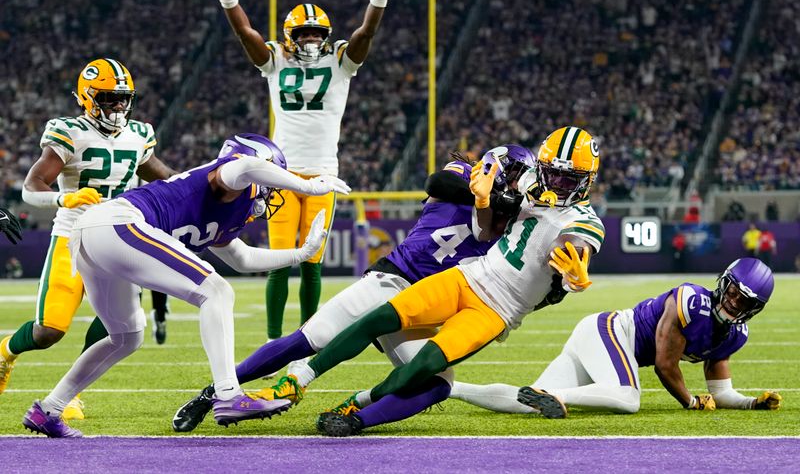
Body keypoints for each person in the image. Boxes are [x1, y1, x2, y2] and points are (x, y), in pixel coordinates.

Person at [170, 145, 536, 432]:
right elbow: (437, 183)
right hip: (394, 280)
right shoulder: (465, 179)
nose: (518, 187)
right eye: (514, 178)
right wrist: (484, 195)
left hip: (428, 307)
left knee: (437, 384)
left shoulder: (517, 221)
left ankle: (355, 410)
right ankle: (212, 393)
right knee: (308, 339)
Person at [274, 126, 603, 437]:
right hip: (467, 276)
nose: (557, 183)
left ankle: (358, 406)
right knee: (380, 316)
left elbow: (577, 247)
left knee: (426, 366)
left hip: (497, 311)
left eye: (567, 178)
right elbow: (482, 227)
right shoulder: (527, 179)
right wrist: (485, 201)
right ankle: (302, 375)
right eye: (553, 173)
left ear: (586, 181)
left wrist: (574, 279)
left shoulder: (585, 220)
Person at [21, 133, 350, 438]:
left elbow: (243, 259)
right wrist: (307, 187)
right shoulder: (229, 176)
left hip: (92, 235)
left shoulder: (229, 210)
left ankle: (49, 409)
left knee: (126, 336)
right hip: (116, 224)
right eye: (271, 182)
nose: (271, 194)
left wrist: (302, 253)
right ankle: (228, 394)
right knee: (217, 291)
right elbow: (247, 166)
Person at [202, 0, 403, 344]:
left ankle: (308, 336)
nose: (311, 39)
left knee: (313, 262)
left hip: (324, 174)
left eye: (316, 33)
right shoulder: (276, 60)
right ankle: (274, 339)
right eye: (304, 33)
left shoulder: (341, 61)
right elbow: (247, 35)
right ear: (291, 37)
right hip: (281, 174)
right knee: (279, 261)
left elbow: (366, 33)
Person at [0, 59, 175, 422]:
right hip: (73, 236)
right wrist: (65, 198)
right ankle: (4, 353)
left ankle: (72, 393)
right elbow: (32, 187)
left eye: (123, 99)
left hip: (121, 239)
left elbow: (168, 178)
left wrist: (213, 185)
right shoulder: (68, 131)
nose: (117, 107)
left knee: (118, 326)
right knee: (49, 331)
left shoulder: (139, 135)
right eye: (109, 99)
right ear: (87, 97)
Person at [449, 258, 783, 417]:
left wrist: (752, 403)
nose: (733, 302)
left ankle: (448, 387)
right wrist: (690, 402)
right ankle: (556, 396)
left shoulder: (735, 335)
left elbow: (721, 393)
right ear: (722, 282)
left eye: (745, 301)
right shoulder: (691, 300)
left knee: (529, 406)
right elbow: (665, 366)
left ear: (755, 309)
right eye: (733, 292)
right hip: (610, 332)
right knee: (627, 398)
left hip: (602, 344)